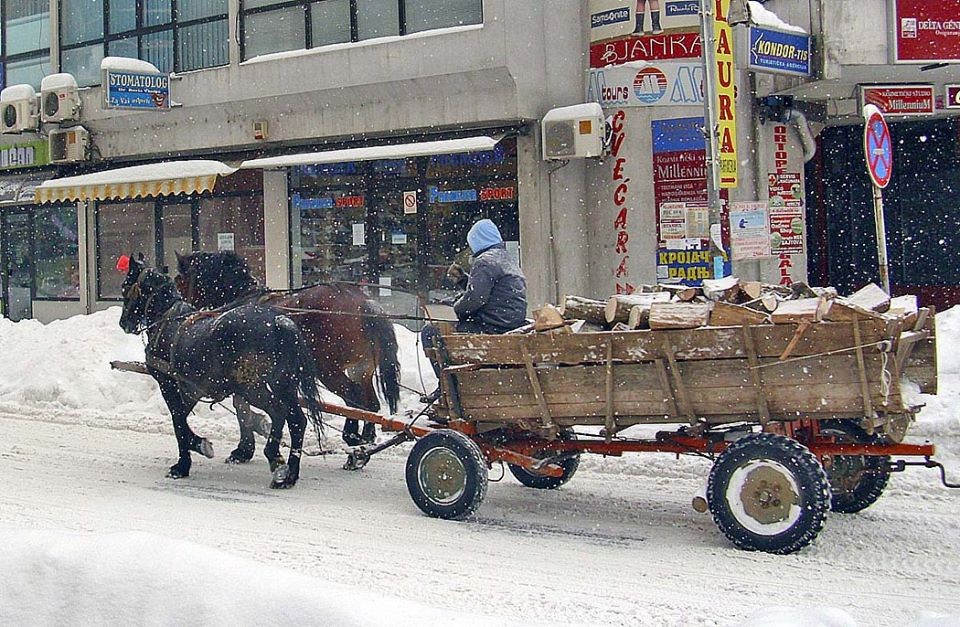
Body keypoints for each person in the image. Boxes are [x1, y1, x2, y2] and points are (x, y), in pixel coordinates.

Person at [420, 219, 527, 403]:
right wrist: (463, 281)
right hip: (507, 324)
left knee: (431, 332)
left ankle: (447, 387)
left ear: (478, 241)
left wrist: (456, 308)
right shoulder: (505, 258)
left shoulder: (485, 262)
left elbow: (475, 299)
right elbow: (490, 292)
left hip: (491, 327)